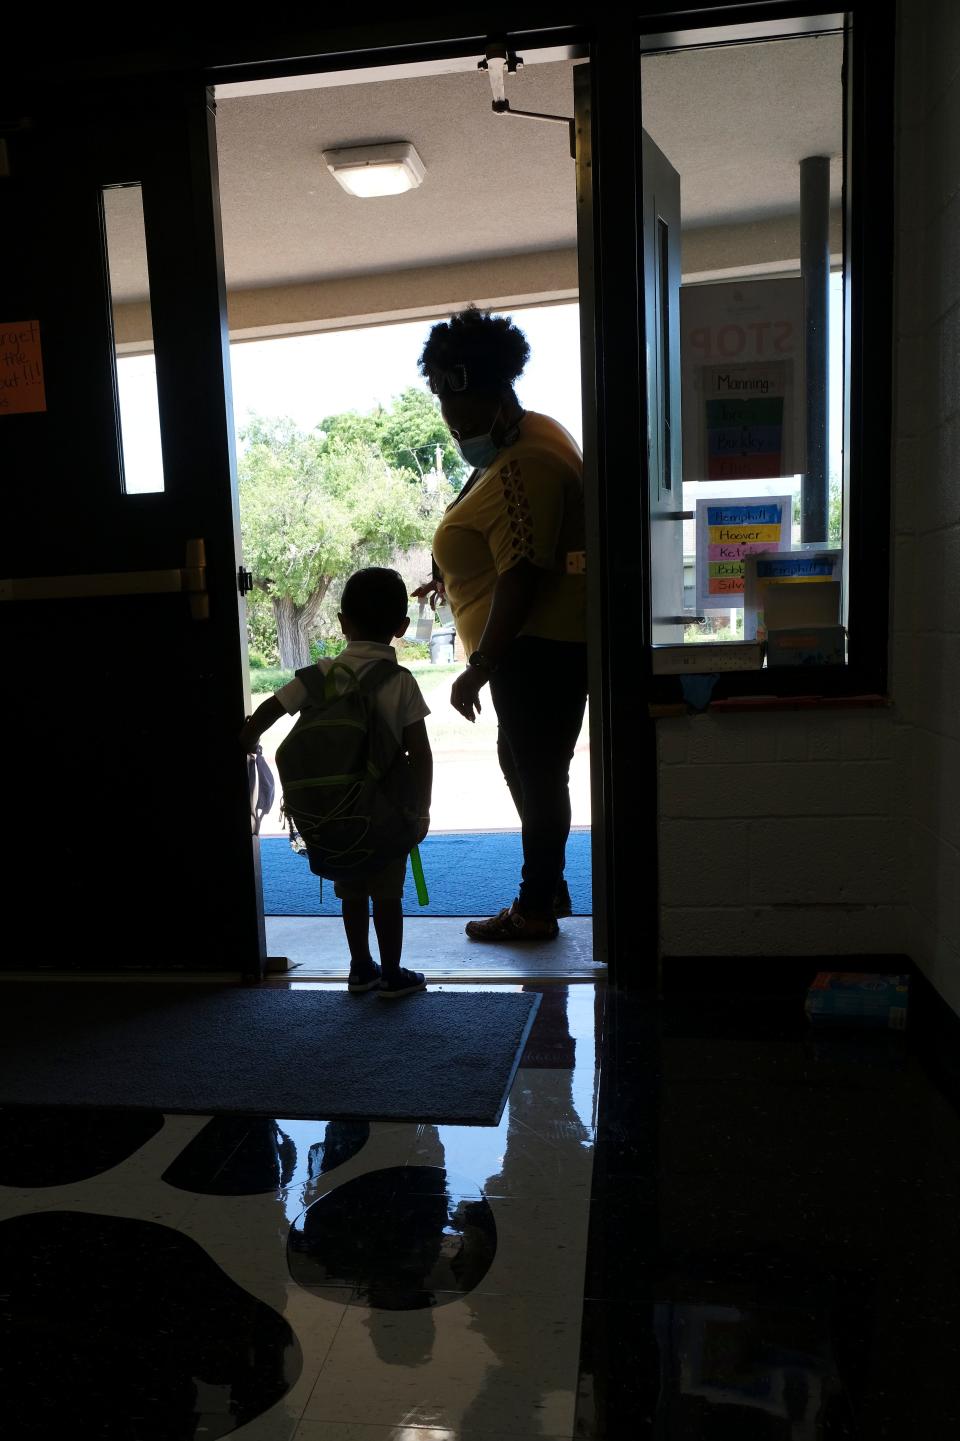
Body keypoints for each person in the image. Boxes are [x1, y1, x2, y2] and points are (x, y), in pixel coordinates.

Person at [414, 306, 588, 943]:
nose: (441, 410)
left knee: (537, 774)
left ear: (466, 384)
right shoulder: (526, 438)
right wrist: (448, 577)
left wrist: (478, 669)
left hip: (534, 650)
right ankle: (547, 888)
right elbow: (505, 542)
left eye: (439, 392)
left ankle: (536, 909)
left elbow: (523, 573)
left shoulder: (527, 462)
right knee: (526, 766)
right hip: (536, 649)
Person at [240, 567, 433, 998]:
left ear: (343, 622)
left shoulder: (320, 675)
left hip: (332, 810)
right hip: (384, 811)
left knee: (350, 889)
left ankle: (360, 968)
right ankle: (393, 972)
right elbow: (419, 752)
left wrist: (247, 738)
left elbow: (273, 707)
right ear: (401, 629)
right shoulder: (400, 682)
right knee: (387, 893)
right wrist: (421, 808)